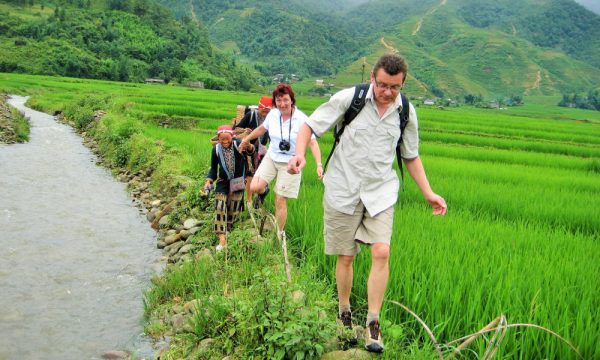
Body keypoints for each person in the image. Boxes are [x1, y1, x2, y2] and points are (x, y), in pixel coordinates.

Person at [288, 53, 447, 353]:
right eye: (383, 85)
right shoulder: (351, 99)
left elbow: (410, 155)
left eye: (395, 87)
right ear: (373, 78)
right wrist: (300, 155)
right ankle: (344, 312)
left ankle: (373, 323)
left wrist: (429, 193)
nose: (388, 92)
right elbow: (309, 126)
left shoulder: (407, 112)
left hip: (381, 192)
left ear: (403, 84)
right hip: (342, 188)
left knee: (382, 251)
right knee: (346, 257)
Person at [240, 83, 323, 239]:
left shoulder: (302, 120)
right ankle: (265, 190)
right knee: (255, 186)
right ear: (275, 102)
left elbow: (312, 142)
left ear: (291, 100)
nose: (282, 104)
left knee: (280, 199)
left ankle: (278, 235)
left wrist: (318, 164)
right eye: (278, 101)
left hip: (291, 163)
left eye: (285, 100)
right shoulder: (273, 115)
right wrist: (246, 139)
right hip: (272, 156)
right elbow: (262, 129)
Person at [204, 125, 255, 252]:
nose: (225, 142)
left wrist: (248, 145)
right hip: (223, 181)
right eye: (222, 139)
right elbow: (213, 168)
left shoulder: (239, 144)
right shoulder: (215, 150)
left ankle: (229, 229)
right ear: (219, 139)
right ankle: (222, 238)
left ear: (232, 137)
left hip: (237, 181)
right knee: (220, 206)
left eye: (227, 139)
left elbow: (251, 151)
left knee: (233, 210)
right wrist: (209, 181)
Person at [233, 96, 272, 208]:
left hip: (261, 152)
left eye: (268, 111)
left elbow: (272, 136)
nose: (265, 113)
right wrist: (246, 131)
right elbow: (237, 129)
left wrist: (268, 147)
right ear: (259, 107)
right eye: (264, 110)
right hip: (248, 149)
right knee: (249, 174)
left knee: (259, 175)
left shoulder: (271, 119)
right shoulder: (251, 115)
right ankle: (248, 201)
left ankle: (261, 193)